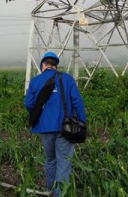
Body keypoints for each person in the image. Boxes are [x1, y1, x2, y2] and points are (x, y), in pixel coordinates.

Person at [24, 51, 87, 196]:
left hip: (45, 128)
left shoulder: (36, 81)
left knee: (50, 160)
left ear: (43, 65)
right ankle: (60, 194)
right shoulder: (67, 79)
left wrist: (40, 112)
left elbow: (28, 104)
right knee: (64, 163)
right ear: (56, 66)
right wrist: (82, 122)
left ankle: (50, 190)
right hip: (66, 128)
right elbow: (77, 102)